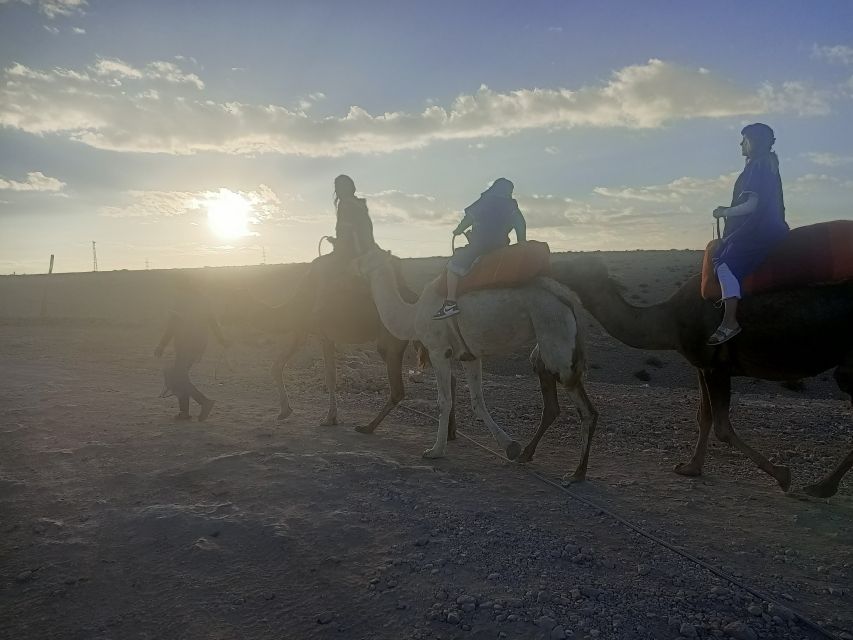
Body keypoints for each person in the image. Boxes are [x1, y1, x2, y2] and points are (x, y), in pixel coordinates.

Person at [708, 123, 789, 345]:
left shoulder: (757, 167)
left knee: (723, 261)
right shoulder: (767, 165)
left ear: (754, 142)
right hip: (770, 227)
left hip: (760, 230)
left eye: (744, 139)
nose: (740, 144)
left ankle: (729, 321)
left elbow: (752, 205)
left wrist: (724, 211)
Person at [433, 178, 527, 320]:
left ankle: (450, 302)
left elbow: (468, 218)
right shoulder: (511, 206)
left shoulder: (485, 201)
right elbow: (520, 224)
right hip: (501, 247)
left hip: (479, 246)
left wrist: (458, 230)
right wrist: (521, 242)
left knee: (453, 265)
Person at [154, 275, 228, 421]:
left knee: (178, 377)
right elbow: (213, 322)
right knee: (180, 376)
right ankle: (184, 412)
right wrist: (221, 340)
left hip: (185, 344)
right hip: (199, 344)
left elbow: (172, 326)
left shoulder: (181, 301)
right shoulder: (203, 300)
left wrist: (162, 345)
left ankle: (203, 402)